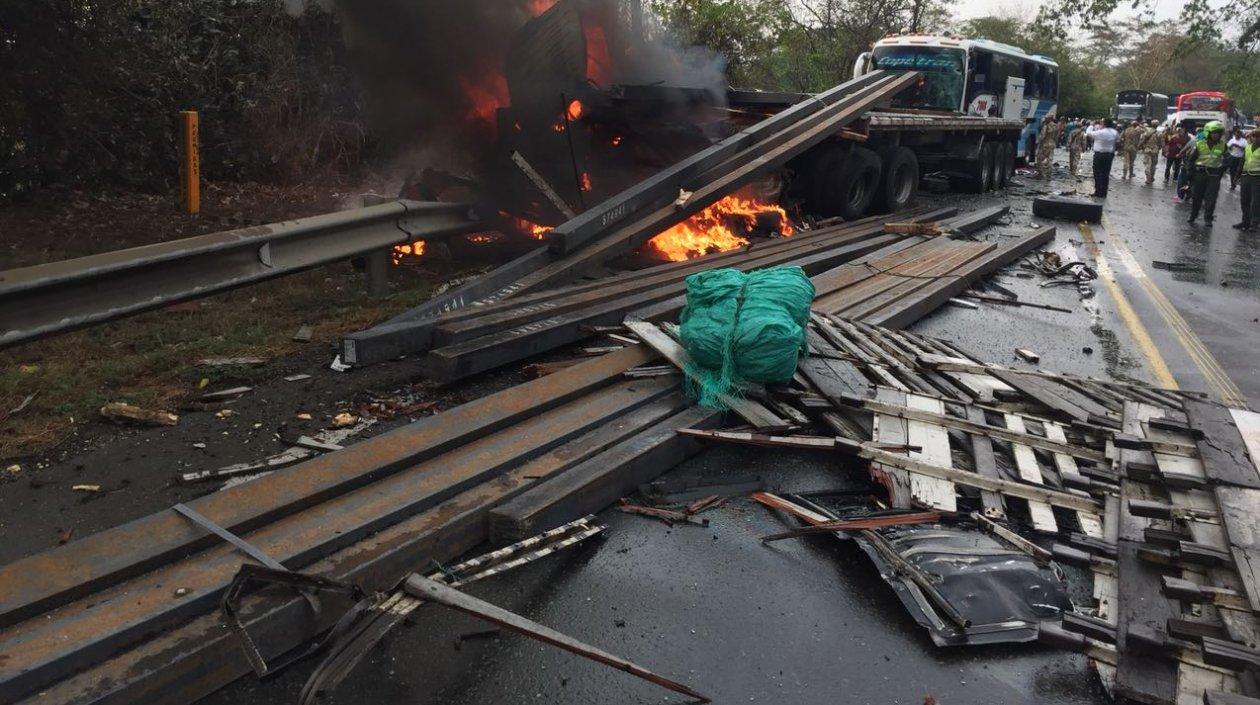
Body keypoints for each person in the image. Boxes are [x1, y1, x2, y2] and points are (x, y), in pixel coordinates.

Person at [1188, 120, 1229, 225]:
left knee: (1211, 197)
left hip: (1214, 175)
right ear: (1208, 133)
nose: (1216, 135)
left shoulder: (1223, 145)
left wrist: (1222, 169)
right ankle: (1193, 215)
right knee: (1197, 196)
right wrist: (1191, 173)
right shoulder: (1199, 144)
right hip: (1200, 174)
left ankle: (1208, 218)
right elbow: (1191, 160)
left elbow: (1228, 159)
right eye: (1214, 133)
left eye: (1218, 133)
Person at [1087, 118, 1119, 198]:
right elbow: (1118, 141)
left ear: (1104, 124)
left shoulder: (1100, 132)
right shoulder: (1115, 132)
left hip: (1099, 154)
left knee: (1097, 173)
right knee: (1106, 173)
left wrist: (1091, 125)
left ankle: (1098, 191)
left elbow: (1088, 133)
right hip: (1109, 154)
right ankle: (1104, 192)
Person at [1235, 128, 1260, 231]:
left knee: (1256, 201)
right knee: (1244, 200)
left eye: (1258, 136)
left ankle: (1254, 223)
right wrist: (1237, 175)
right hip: (1246, 176)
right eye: (1254, 136)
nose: (1256, 138)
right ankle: (1245, 221)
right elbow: (1242, 162)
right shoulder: (1248, 147)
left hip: (1257, 177)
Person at [1140, 120, 1162, 184]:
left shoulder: (1146, 133)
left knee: (1147, 165)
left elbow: (1142, 141)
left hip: (1147, 150)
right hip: (1155, 151)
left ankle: (1148, 178)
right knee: (1153, 165)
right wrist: (1159, 148)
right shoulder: (1159, 134)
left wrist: (1141, 147)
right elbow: (1162, 144)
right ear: (1157, 125)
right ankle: (1152, 177)